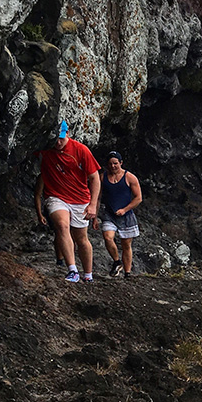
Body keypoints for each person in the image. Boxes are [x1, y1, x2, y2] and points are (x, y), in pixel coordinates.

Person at [34, 120, 101, 283]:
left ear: (68, 134)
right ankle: (72, 270)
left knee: (81, 239)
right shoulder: (46, 149)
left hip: (80, 199)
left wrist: (93, 205)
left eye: (61, 139)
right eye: (55, 139)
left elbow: (94, 178)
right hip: (56, 197)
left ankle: (88, 275)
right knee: (62, 226)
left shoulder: (80, 150)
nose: (58, 142)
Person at [95, 151, 142, 277]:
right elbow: (97, 198)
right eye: (110, 164)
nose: (113, 166)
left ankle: (127, 272)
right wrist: (94, 216)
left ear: (121, 163)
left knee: (126, 244)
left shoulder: (129, 177)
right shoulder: (102, 177)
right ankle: (116, 261)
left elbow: (138, 198)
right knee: (107, 237)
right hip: (109, 214)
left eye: (115, 163)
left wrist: (125, 209)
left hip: (126, 215)